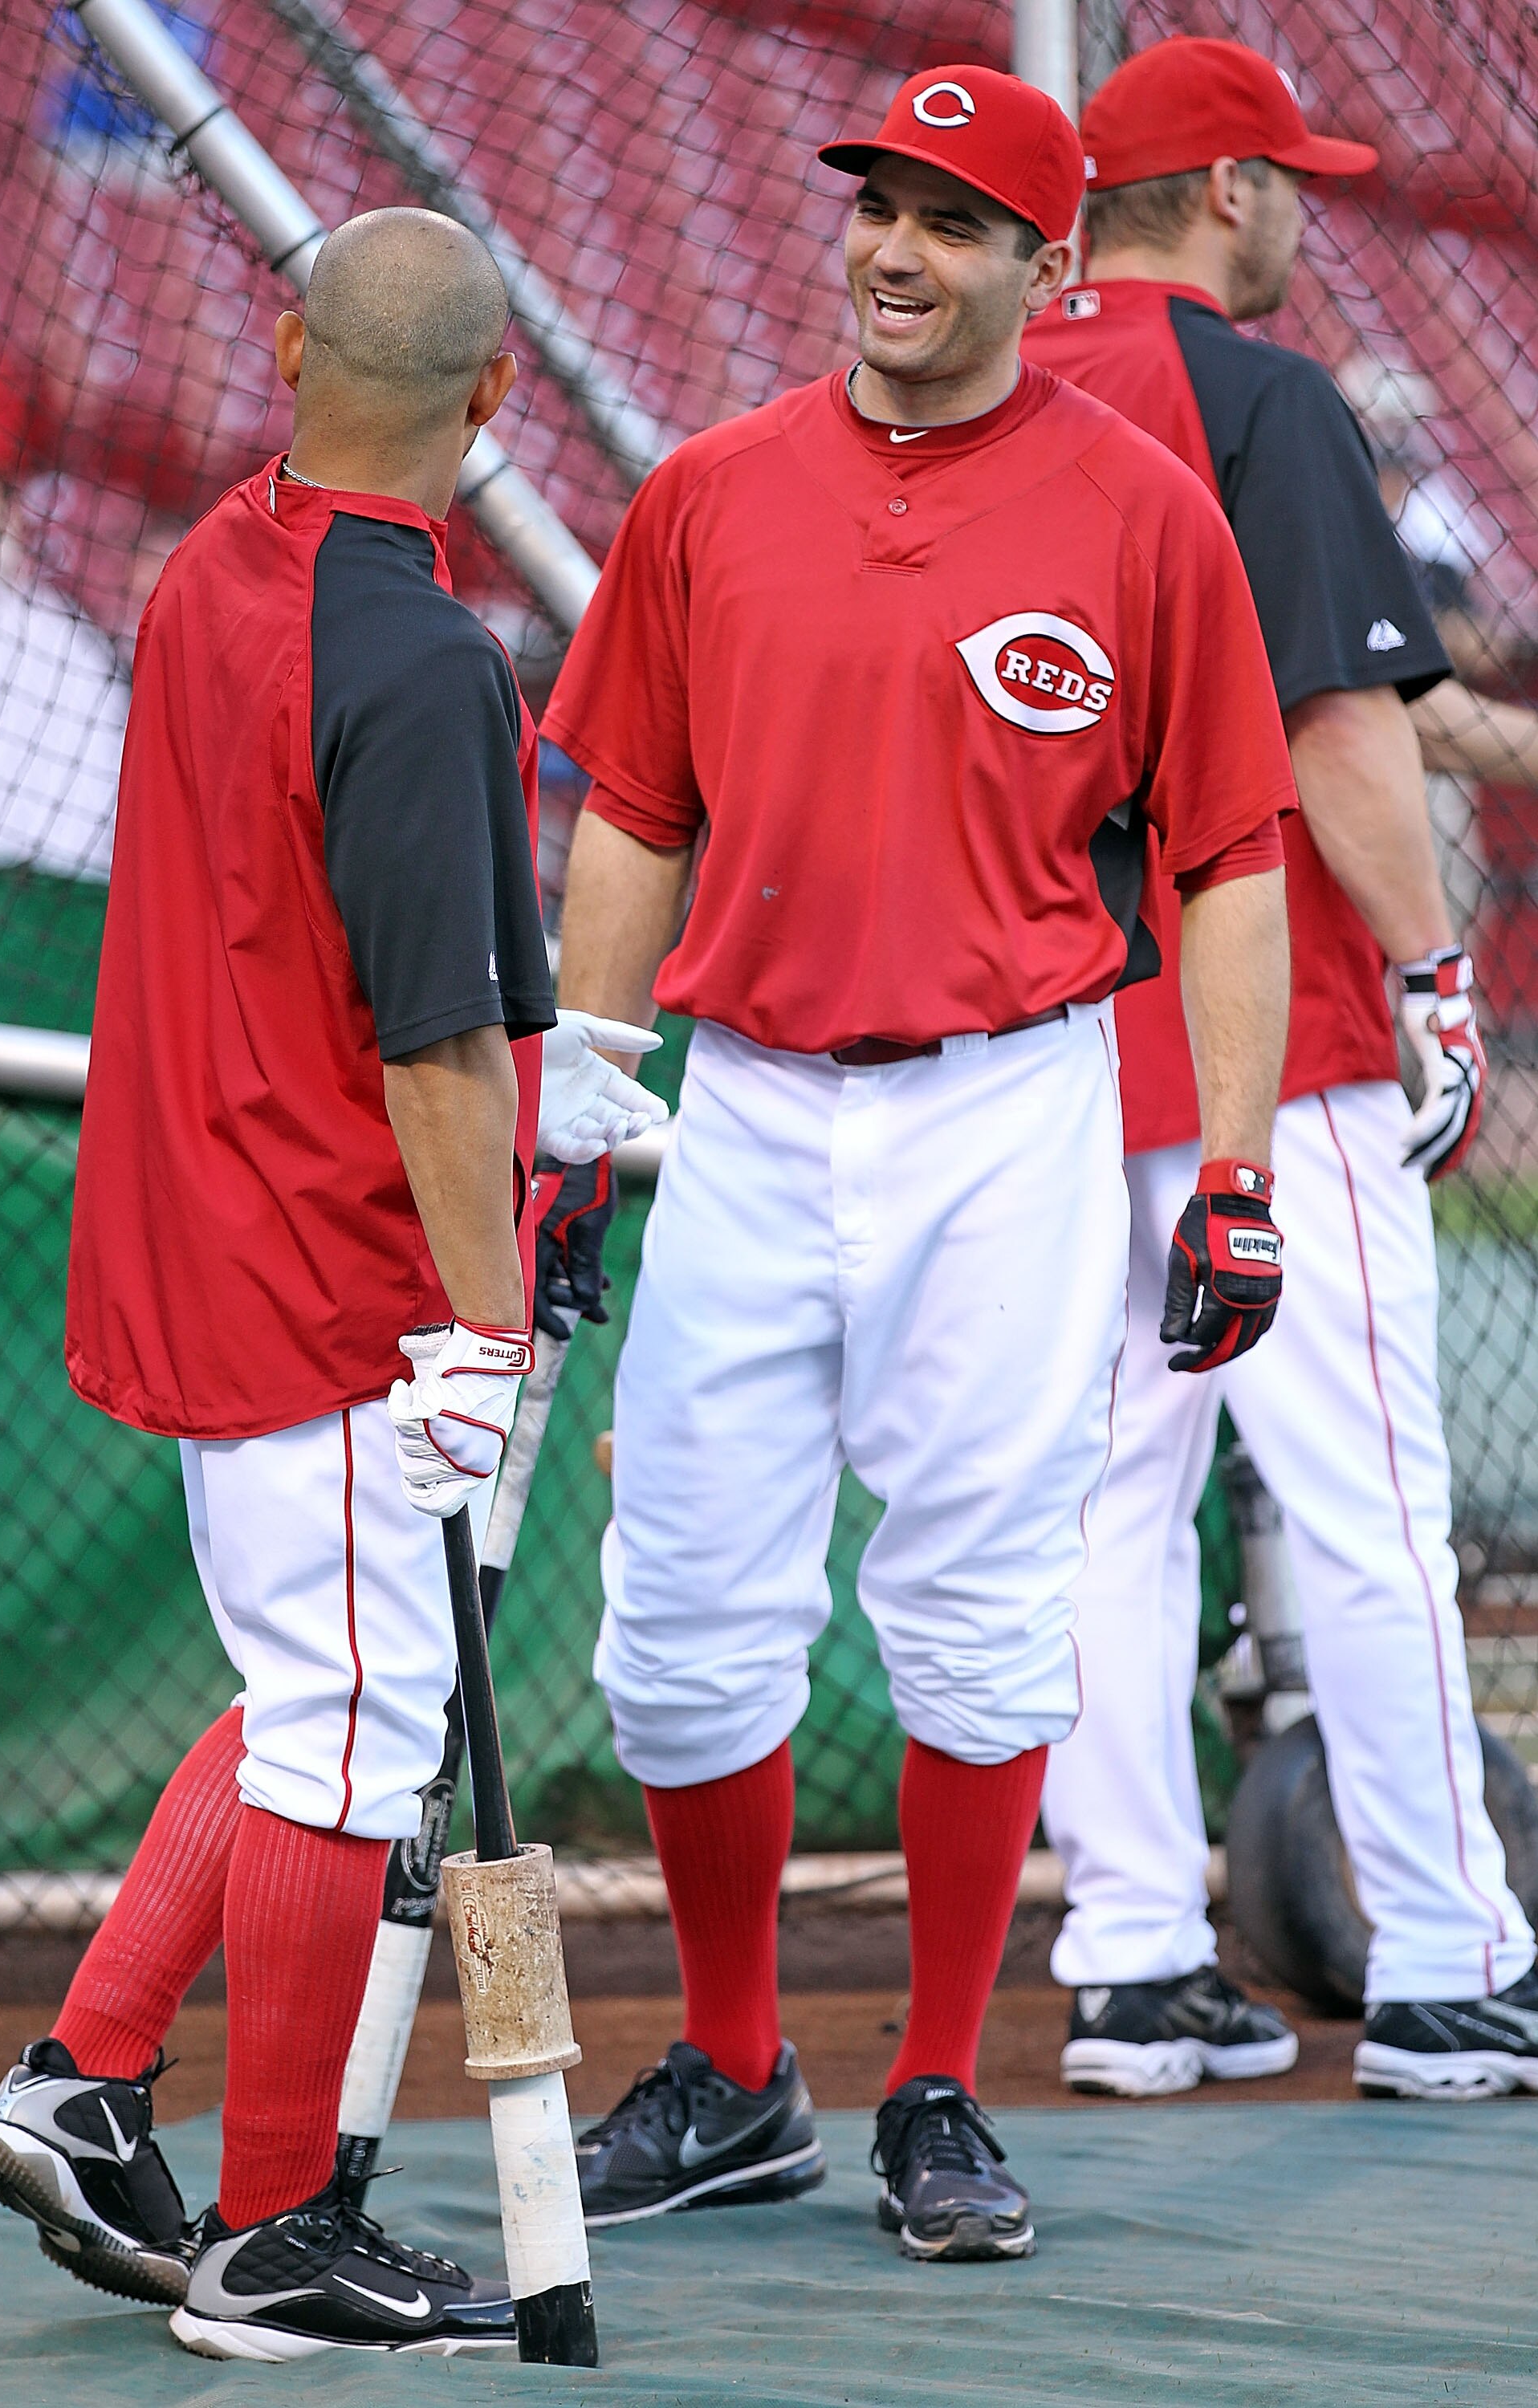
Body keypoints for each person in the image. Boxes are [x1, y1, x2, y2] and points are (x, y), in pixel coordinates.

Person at [541, 63, 1296, 2264]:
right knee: (680, 1625)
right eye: (880, 200)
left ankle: (943, 2084)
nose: (895, 247)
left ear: (1051, 267)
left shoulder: (1144, 509)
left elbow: (1231, 857)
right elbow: (630, 815)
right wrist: (587, 1103)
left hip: (1011, 1102)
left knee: (974, 1613)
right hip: (749, 1100)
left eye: (956, 220)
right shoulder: (709, 490)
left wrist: (1230, 1170)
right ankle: (738, 2065)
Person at [0, 206, 661, 2362]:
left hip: (198, 1219)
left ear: (279, 351)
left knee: (311, 1699)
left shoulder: (207, 564)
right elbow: (437, 1051)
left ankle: (82, 2082)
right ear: (491, 401)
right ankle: (273, 2238)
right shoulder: (435, 661)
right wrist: (468, 1322)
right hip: (329, 1265)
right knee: (351, 1740)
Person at [1023, 35, 1538, 2101]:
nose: (1307, 211)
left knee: (1103, 1515)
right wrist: (1430, 967)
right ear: (1223, 190)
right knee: (1368, 1507)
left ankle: (1133, 1962)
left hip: (1032, 1044)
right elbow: (1341, 738)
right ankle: (1442, 1965)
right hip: (1271, 1032)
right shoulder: (1253, 394)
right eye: (1288, 179)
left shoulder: (959, 390)